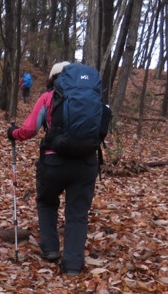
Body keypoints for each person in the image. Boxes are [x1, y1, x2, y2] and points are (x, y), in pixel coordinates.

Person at [6, 61, 101, 276]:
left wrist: (13, 133)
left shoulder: (48, 97)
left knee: (47, 202)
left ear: (52, 77)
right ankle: (73, 265)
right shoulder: (93, 97)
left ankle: (50, 249)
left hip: (54, 162)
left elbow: (29, 130)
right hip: (86, 164)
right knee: (77, 213)